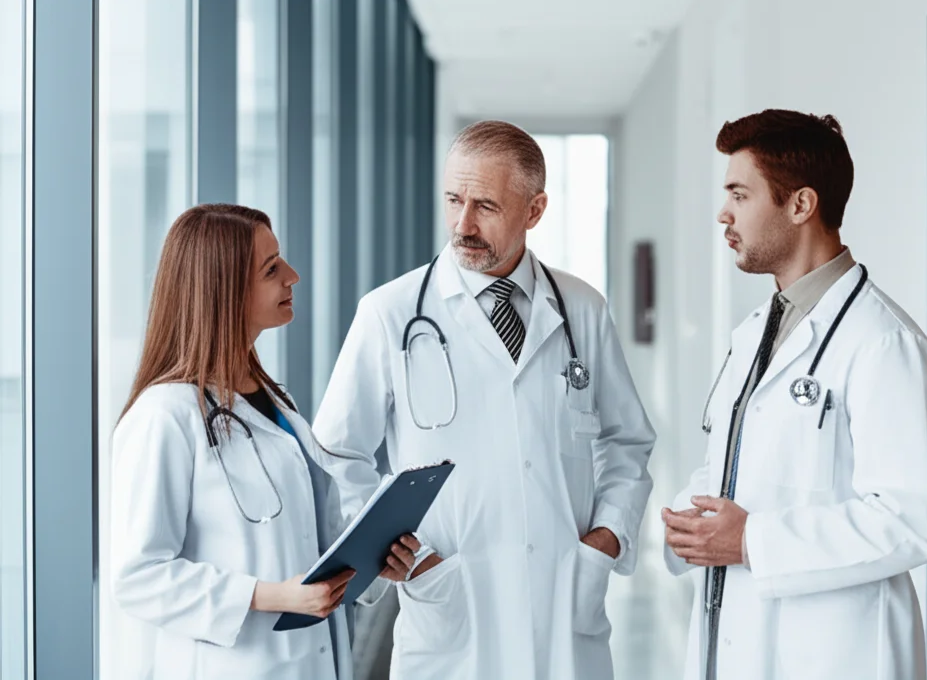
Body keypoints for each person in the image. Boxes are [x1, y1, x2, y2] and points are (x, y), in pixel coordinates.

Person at [312, 120, 656, 679]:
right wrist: (392, 549)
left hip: (562, 602)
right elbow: (335, 451)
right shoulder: (390, 312)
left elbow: (626, 440)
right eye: (454, 199)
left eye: (486, 206)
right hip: (449, 601)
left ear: (535, 209)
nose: (462, 224)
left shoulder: (582, 309)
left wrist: (608, 537)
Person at [661, 110, 927, 680]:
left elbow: (911, 520)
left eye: (740, 194)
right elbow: (737, 462)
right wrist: (691, 520)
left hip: (836, 653)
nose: (724, 213)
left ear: (800, 205)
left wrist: (751, 540)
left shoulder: (884, 342)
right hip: (740, 636)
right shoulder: (755, 332)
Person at [110, 204, 417, 680]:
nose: (293, 276)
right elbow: (139, 577)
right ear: (223, 291)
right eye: (272, 269)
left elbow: (306, 537)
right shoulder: (164, 417)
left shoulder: (277, 401)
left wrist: (372, 562)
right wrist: (271, 595)